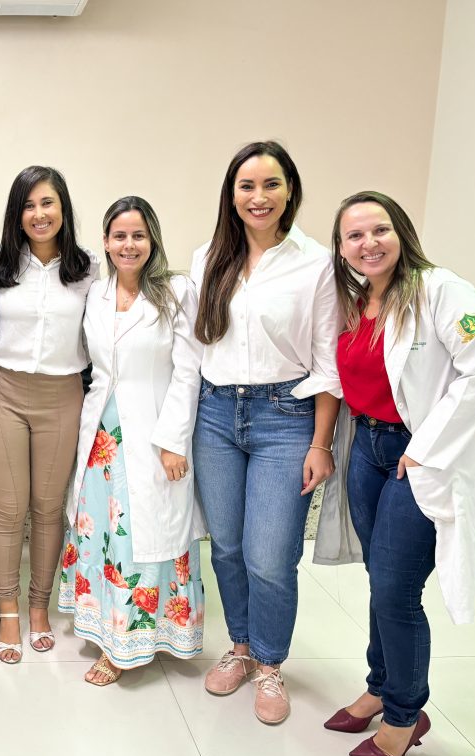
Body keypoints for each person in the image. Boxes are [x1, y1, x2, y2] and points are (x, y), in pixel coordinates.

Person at [315, 192, 475, 756]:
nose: (368, 244)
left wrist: (426, 449)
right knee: (380, 576)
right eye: (354, 236)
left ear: (402, 232)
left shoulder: (443, 290)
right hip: (366, 449)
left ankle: (404, 713)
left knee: (396, 588)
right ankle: (379, 686)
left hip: (415, 454)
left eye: (379, 230)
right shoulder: (356, 302)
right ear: (341, 247)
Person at [191, 140, 341, 724]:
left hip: (286, 417)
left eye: (270, 185)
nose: (259, 197)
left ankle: (272, 663)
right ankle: (242, 646)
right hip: (215, 415)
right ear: (231, 195)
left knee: (271, 554)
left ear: (289, 191)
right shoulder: (209, 257)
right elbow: (198, 347)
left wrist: (320, 443)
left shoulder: (317, 263)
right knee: (226, 546)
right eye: (247, 186)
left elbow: (327, 361)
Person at [58, 196, 206, 685]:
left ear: (153, 241)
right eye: (119, 236)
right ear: (105, 241)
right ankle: (109, 632)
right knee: (105, 535)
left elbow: (189, 372)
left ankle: (136, 640)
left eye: (138, 235)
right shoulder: (94, 295)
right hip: (100, 434)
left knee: (148, 535)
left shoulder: (177, 293)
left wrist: (173, 441)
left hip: (154, 429)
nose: (128, 244)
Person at [0, 166, 98, 663]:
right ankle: (8, 607)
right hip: (4, 391)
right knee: (8, 508)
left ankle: (38, 606)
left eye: (47, 203)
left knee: (49, 508)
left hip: (63, 396)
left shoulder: (90, 267)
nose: (39, 214)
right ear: (17, 214)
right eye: (28, 205)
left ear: (63, 208)